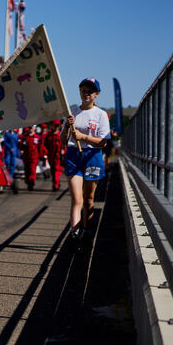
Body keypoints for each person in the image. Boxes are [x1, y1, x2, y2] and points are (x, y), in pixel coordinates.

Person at [63, 77, 111, 247]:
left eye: (90, 91)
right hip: (74, 155)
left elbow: (104, 142)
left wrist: (83, 137)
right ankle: (74, 233)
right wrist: (68, 127)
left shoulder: (101, 115)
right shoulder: (73, 113)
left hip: (92, 156)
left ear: (96, 94)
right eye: (83, 90)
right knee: (77, 199)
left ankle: (86, 229)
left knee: (88, 199)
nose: (86, 94)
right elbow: (63, 140)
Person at [43, 119, 64, 191]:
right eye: (55, 125)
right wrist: (45, 153)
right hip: (51, 156)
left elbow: (65, 145)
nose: (56, 127)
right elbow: (44, 145)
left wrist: (63, 150)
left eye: (57, 126)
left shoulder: (61, 134)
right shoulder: (48, 135)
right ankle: (56, 184)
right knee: (53, 171)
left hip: (58, 157)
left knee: (57, 170)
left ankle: (55, 184)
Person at [19, 125, 41, 190]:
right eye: (29, 128)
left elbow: (40, 146)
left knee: (32, 169)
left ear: (34, 128)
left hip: (34, 156)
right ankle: (28, 182)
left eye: (32, 128)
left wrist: (42, 155)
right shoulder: (24, 137)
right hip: (26, 156)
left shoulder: (37, 137)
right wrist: (21, 148)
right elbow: (20, 145)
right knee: (27, 170)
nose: (30, 129)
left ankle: (32, 181)